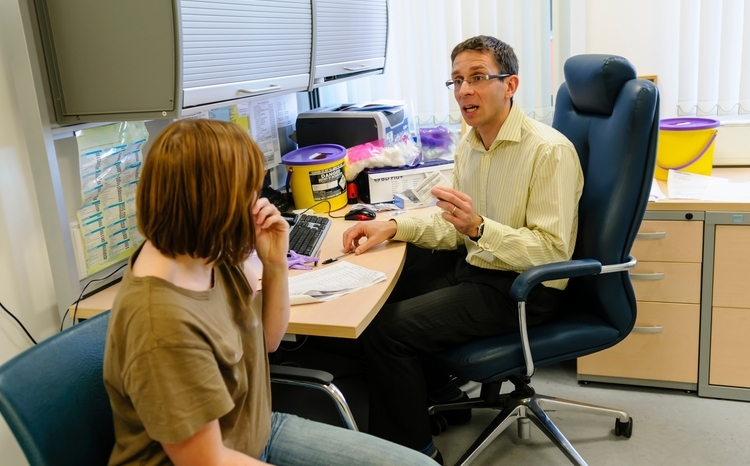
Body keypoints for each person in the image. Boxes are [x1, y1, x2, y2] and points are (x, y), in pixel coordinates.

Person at [102, 119, 437, 466]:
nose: (256, 202)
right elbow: (207, 461)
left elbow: (267, 341)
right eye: (247, 192)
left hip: (257, 431)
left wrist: (274, 263)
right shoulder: (162, 325)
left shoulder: (208, 253)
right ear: (210, 202)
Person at [341, 35, 584, 464]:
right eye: (456, 81)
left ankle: (412, 453)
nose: (463, 91)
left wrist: (479, 228)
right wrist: (393, 226)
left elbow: (551, 252)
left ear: (510, 85)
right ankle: (442, 394)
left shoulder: (549, 152)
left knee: (388, 331)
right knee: (379, 297)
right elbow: (455, 228)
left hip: (524, 289)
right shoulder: (470, 143)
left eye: (477, 78)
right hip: (479, 267)